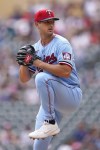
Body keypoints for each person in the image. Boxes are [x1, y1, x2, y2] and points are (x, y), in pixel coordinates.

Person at [16, 9, 82, 150]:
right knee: (39, 145)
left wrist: (38, 63)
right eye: (46, 22)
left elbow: (65, 71)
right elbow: (24, 79)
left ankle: (50, 122)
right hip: (52, 103)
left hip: (70, 93)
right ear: (37, 24)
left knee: (42, 77)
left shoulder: (61, 43)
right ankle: (49, 123)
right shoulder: (35, 49)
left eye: (52, 21)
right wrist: (23, 63)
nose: (50, 25)